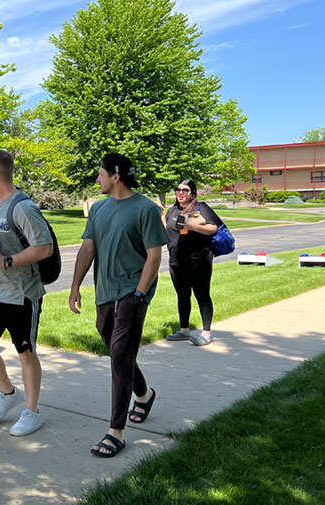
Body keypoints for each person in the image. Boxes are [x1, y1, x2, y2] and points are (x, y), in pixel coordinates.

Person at [69, 153, 168, 457]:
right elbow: (88, 249)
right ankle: (144, 395)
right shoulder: (98, 209)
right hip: (105, 292)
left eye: (100, 174)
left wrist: (139, 293)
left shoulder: (146, 209)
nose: (97, 179)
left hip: (132, 292)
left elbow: (154, 256)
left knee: (121, 356)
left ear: (115, 176)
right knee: (117, 353)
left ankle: (116, 431)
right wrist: (74, 286)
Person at [0, 149, 53, 437]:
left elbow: (45, 248)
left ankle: (32, 411)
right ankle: (8, 392)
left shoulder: (23, 208)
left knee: (25, 352)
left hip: (22, 294)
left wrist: (6, 261)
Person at [164, 179, 220, 346]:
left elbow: (213, 228)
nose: (181, 193)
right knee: (182, 295)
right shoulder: (172, 211)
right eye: (178, 189)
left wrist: (193, 226)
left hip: (198, 260)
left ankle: (206, 333)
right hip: (177, 261)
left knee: (202, 295)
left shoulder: (201, 208)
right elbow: (167, 228)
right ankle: (184, 330)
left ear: (193, 193)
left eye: (185, 190)